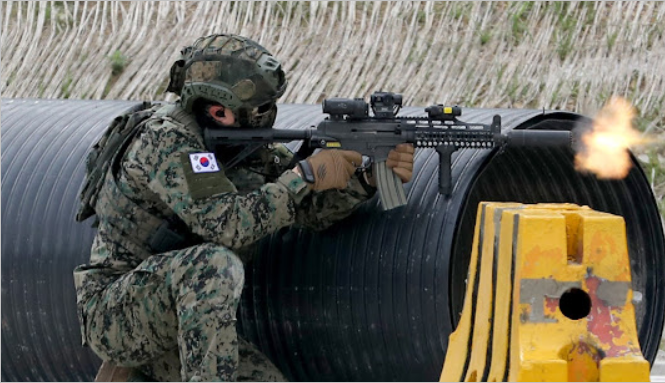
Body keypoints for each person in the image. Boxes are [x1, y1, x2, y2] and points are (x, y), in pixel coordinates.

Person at [73, 33, 415, 381]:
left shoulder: (243, 150)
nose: (267, 116)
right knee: (213, 264)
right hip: (118, 316)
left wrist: (365, 180)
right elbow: (227, 225)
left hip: (185, 324)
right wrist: (305, 174)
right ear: (220, 110)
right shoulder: (166, 141)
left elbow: (307, 211)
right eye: (259, 109)